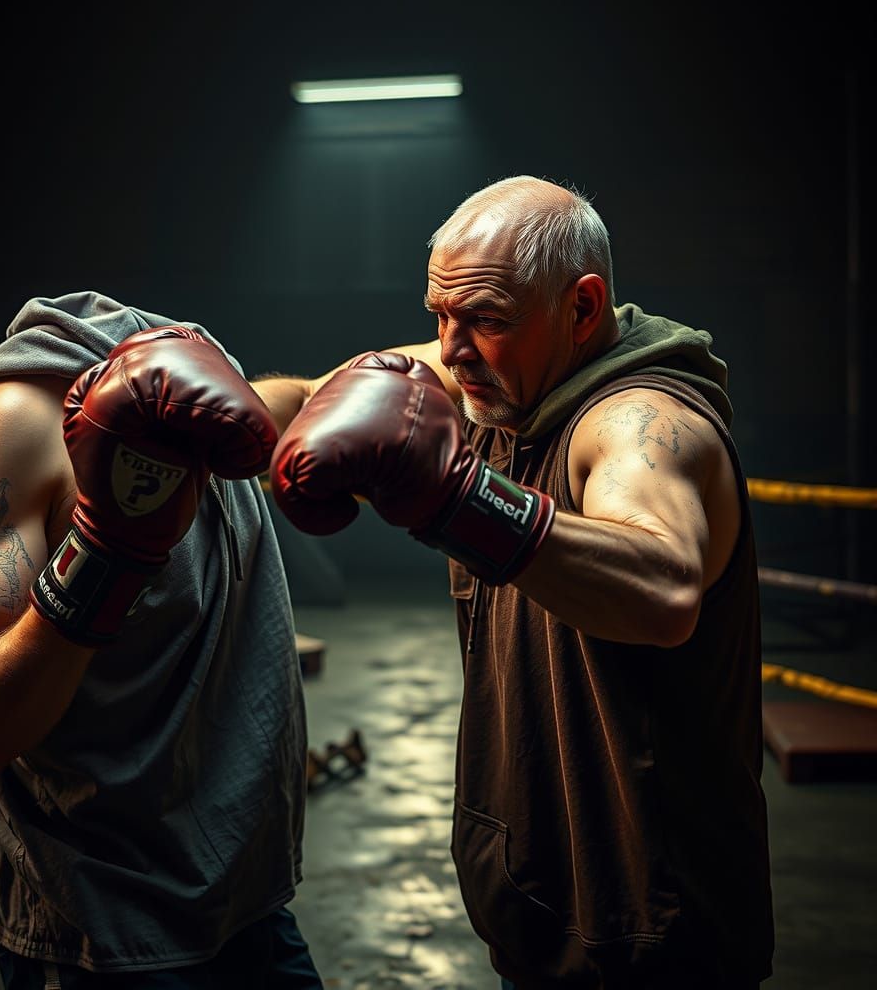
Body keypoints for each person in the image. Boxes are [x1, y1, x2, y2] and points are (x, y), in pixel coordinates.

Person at [254, 176, 774, 989]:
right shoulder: (491, 372)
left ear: (582, 309)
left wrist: (461, 501)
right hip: (538, 904)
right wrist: (211, 426)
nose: (452, 350)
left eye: (487, 320)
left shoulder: (635, 421)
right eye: (439, 315)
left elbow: (665, 585)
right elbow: (310, 396)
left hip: (658, 929)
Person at [0, 292, 323, 989]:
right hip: (98, 931)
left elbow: (323, 392)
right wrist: (108, 554)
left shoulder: (203, 419)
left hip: (243, 904)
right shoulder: (15, 425)